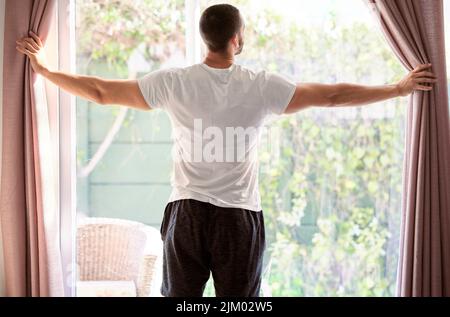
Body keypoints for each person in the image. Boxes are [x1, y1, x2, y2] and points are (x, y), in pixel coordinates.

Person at [16, 3, 436, 297]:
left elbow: (100, 91)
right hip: (237, 217)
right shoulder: (260, 85)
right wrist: (396, 89)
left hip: (187, 215)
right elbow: (330, 96)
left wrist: (46, 70)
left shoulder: (174, 82)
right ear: (237, 39)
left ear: (206, 39)